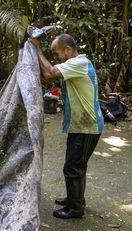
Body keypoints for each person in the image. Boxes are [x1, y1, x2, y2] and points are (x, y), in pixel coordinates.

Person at [30, 34, 104, 219]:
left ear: (68, 50)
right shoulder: (74, 66)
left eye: (57, 54)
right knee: (78, 164)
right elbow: (48, 77)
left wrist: (37, 48)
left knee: (73, 167)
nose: (56, 58)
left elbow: (49, 73)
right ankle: (75, 199)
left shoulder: (79, 63)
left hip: (87, 125)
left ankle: (75, 208)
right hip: (81, 123)